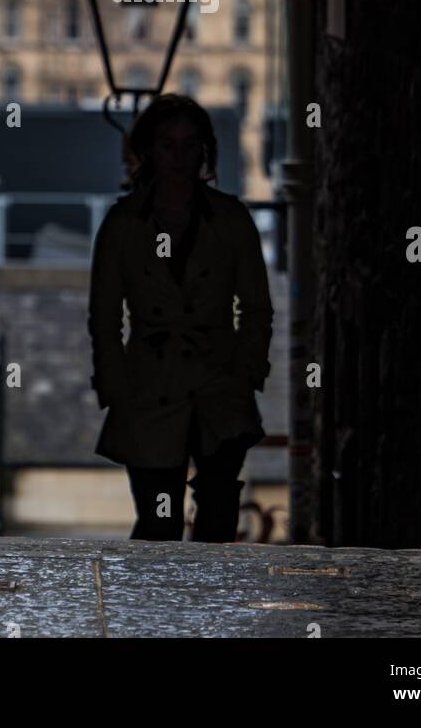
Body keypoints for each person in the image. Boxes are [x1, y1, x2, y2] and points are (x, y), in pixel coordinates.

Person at [87, 94, 273, 542]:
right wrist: (116, 384)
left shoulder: (230, 219)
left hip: (219, 385)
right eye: (168, 145)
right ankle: (154, 610)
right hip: (150, 387)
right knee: (157, 522)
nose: (178, 157)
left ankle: (210, 609)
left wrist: (245, 372)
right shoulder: (124, 225)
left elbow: (256, 306)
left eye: (189, 145)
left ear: (203, 151)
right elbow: (104, 315)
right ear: (149, 150)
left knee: (218, 517)